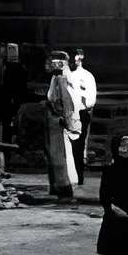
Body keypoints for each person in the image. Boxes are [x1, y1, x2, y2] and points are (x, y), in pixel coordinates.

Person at [44, 50, 81, 200]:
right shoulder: (56, 78)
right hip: (53, 117)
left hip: (57, 119)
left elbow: (66, 102)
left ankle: (64, 187)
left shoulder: (62, 78)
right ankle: (58, 186)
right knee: (54, 155)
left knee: (60, 155)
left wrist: (67, 120)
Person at [68, 50, 98, 171]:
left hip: (81, 113)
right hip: (69, 113)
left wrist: (83, 106)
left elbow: (91, 98)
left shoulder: (87, 76)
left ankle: (79, 171)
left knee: (79, 145)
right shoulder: (66, 76)